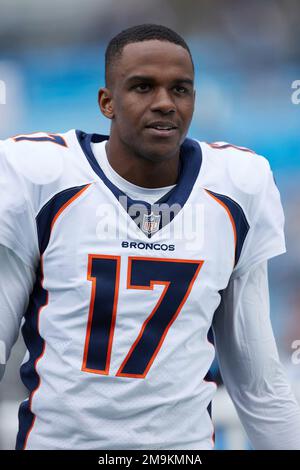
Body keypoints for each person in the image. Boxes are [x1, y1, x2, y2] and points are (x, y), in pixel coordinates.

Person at [0, 23, 300, 451]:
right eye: (143, 87)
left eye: (180, 90)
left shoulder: (236, 187)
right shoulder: (41, 177)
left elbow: (258, 383)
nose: (164, 103)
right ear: (107, 101)